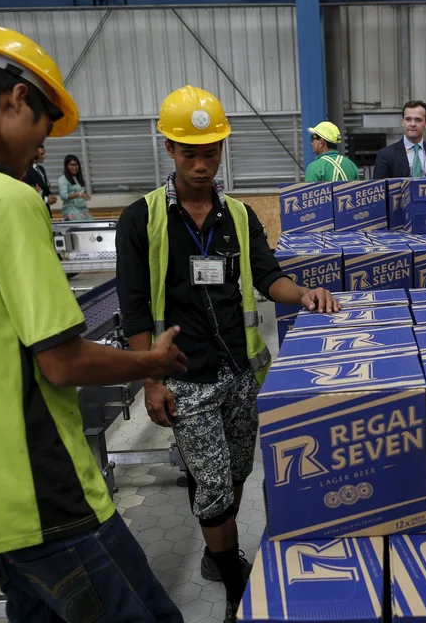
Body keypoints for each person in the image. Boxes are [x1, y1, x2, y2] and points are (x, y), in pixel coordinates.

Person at [0, 25, 187, 621]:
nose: (40, 150)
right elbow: (62, 362)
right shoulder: (4, 200)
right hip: (45, 493)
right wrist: (152, 362)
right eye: (43, 128)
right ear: (15, 100)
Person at [115, 85, 341, 623]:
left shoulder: (238, 216)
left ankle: (218, 552)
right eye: (190, 153)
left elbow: (268, 277)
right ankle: (236, 589)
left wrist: (304, 293)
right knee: (214, 485)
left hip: (239, 373)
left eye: (211, 153)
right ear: (169, 148)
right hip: (184, 376)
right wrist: (150, 380)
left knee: (236, 473)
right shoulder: (141, 219)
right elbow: (135, 307)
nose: (201, 165)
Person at [372, 100, 426, 179]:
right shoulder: (385, 155)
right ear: (402, 122)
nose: (413, 124)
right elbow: (379, 186)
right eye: (408, 119)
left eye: (418, 120)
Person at [22, 143, 55, 216]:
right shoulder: (25, 170)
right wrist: (46, 199)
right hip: (34, 212)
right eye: (41, 154)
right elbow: (28, 193)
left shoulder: (41, 169)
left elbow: (44, 187)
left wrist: (51, 196)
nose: (44, 156)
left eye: (44, 154)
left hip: (45, 210)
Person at [58, 153, 93, 221]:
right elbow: (63, 196)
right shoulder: (63, 179)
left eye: (76, 165)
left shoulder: (78, 178)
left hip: (83, 209)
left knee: (90, 223)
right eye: (72, 165)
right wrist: (79, 194)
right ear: (66, 166)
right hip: (71, 210)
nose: (74, 167)